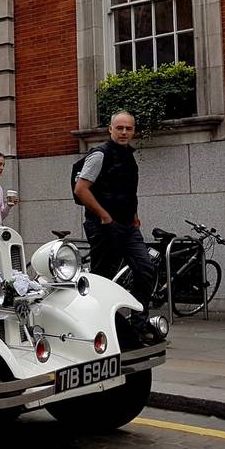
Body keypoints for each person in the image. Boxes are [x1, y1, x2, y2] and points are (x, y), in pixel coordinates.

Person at [73, 111, 156, 340]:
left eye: (128, 128)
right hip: (104, 227)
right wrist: (104, 216)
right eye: (119, 128)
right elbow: (81, 189)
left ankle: (138, 326)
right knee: (102, 279)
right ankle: (97, 328)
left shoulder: (129, 156)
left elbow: (128, 192)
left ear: (133, 131)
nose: (124, 132)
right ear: (110, 129)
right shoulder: (100, 155)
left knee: (146, 269)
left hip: (128, 226)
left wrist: (135, 216)